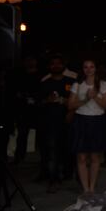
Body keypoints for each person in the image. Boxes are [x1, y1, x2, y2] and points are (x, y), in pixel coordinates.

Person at [68, 58, 106, 194]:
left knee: (94, 156)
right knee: (81, 157)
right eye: (86, 67)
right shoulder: (78, 85)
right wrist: (86, 99)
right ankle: (85, 188)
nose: (89, 69)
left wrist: (95, 97)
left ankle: (92, 187)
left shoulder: (104, 85)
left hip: (97, 121)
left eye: (91, 67)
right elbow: (70, 105)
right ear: (82, 69)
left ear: (95, 68)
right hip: (81, 121)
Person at [37, 54, 76, 192]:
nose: (56, 66)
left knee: (69, 150)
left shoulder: (72, 81)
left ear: (63, 65)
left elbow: (77, 102)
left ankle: (68, 175)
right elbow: (38, 103)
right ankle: (54, 180)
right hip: (50, 123)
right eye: (53, 64)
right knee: (52, 151)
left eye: (58, 63)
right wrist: (47, 100)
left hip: (69, 122)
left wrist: (67, 104)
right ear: (49, 66)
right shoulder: (45, 83)